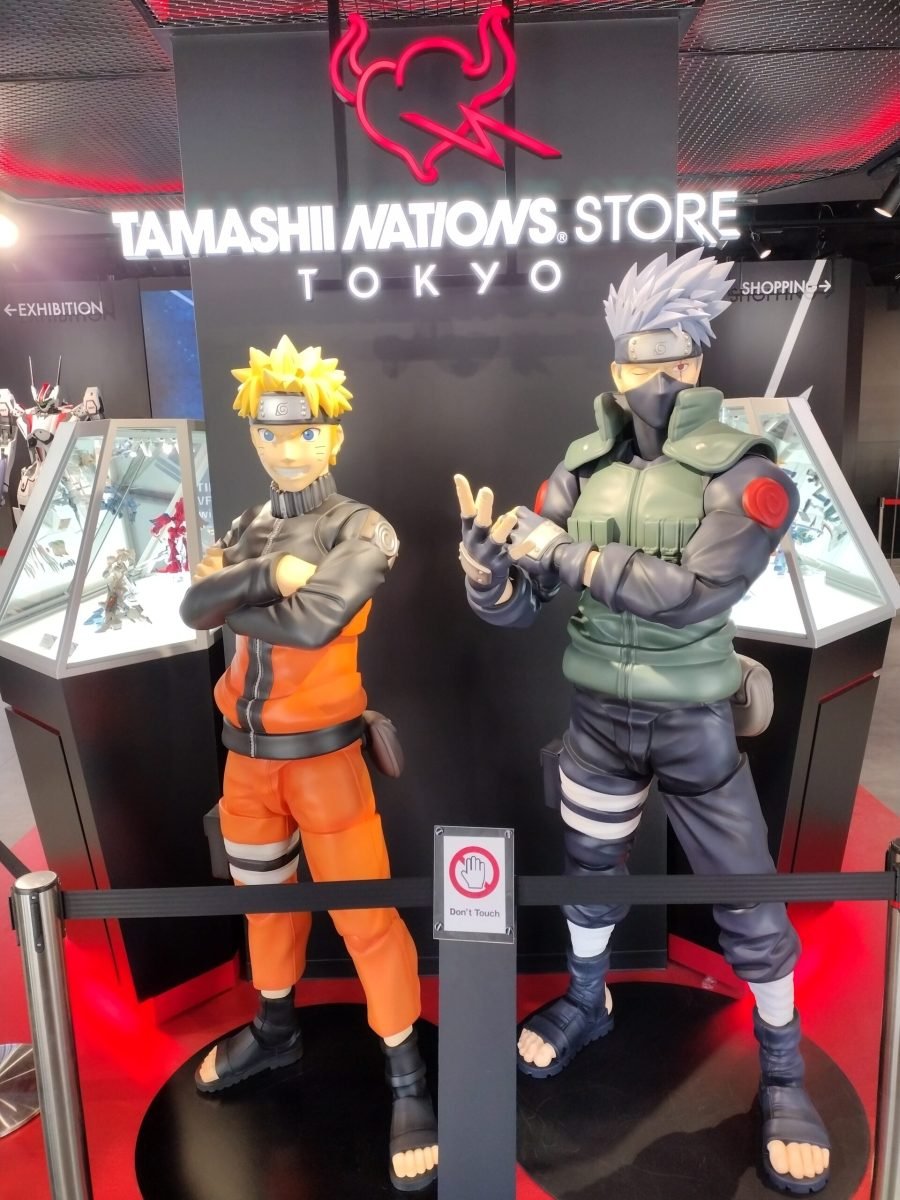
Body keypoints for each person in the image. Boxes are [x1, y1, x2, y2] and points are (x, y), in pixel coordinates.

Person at [455, 249, 830, 1195]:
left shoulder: (747, 471)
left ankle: (784, 1071)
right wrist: (489, 574)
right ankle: (587, 1001)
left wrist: (567, 556)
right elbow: (524, 602)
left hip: (692, 717)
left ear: (695, 359)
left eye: (663, 357)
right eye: (629, 359)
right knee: (590, 874)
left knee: (746, 897)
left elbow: (697, 593)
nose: (644, 379)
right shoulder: (580, 466)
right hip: (596, 718)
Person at [181, 336, 437, 1192]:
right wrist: (268, 572)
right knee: (264, 909)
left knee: (366, 920)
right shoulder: (248, 525)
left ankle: (407, 1077)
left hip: (324, 760)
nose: (286, 450)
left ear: (334, 437)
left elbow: (312, 622)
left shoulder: (363, 529)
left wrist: (229, 590)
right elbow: (191, 607)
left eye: (304, 434)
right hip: (245, 763)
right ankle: (275, 1028)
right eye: (269, 433)